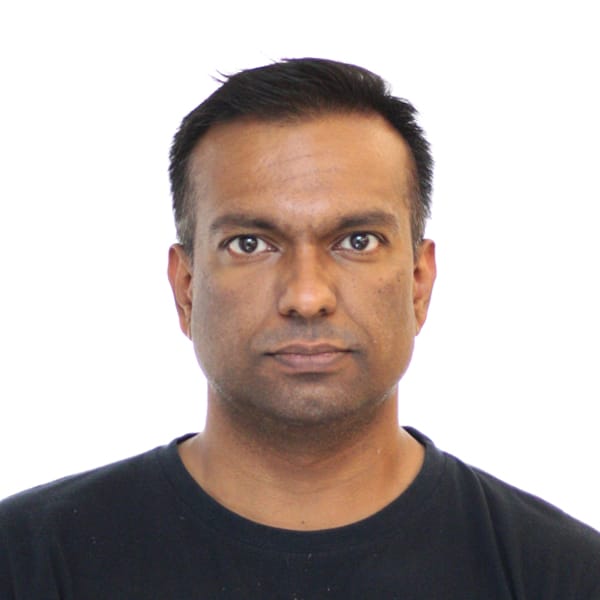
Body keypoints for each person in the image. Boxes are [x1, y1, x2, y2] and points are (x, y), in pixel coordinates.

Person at [1, 58, 598, 599]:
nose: (307, 297)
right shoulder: (26, 562)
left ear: (419, 282)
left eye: (357, 241)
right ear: (185, 288)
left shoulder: (563, 575)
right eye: (250, 243)